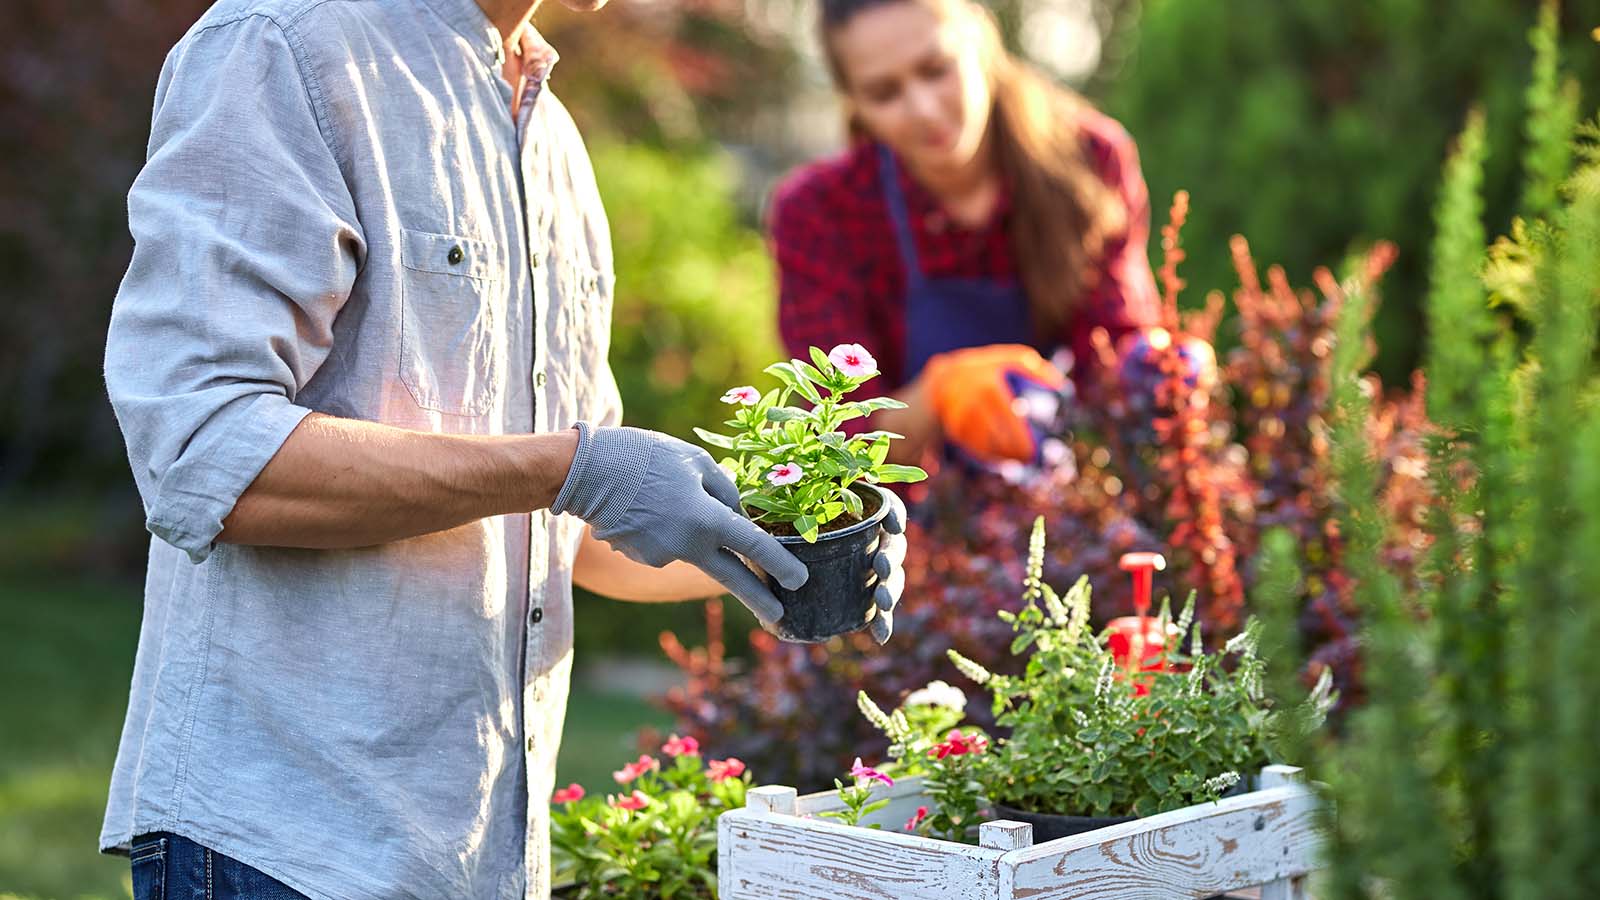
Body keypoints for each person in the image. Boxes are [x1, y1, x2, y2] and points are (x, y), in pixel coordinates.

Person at [98, 0, 907, 897]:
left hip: (480, 857)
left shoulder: (550, 135)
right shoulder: (281, 48)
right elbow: (205, 454)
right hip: (286, 845)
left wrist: (792, 552)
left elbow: (581, 536)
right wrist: (569, 468)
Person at [770, 0, 1165, 467]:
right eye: (884, 93)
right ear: (854, 101)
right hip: (913, 518)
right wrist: (937, 395)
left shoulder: (1089, 161)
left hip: (1069, 488)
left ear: (981, 38)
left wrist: (1158, 372)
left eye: (937, 69)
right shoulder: (818, 213)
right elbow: (837, 443)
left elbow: (1111, 356)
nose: (923, 109)